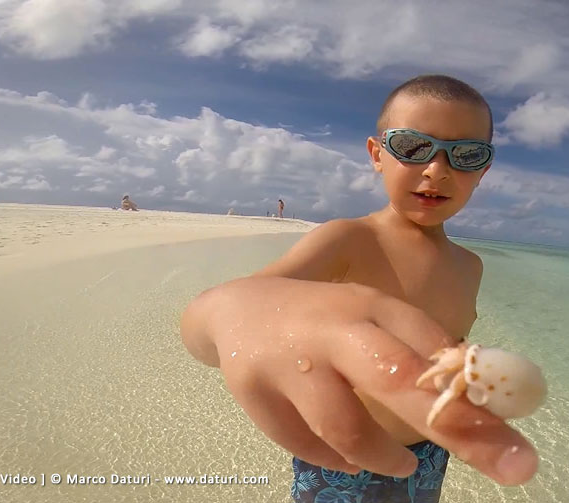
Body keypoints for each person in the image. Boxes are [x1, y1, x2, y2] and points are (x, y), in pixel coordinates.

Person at [180, 75, 540, 502]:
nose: (436, 170)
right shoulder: (347, 240)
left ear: (483, 169)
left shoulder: (470, 266)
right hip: (344, 457)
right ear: (377, 154)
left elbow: (446, 352)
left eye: (464, 155)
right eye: (413, 147)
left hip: (429, 455)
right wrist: (228, 316)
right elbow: (230, 308)